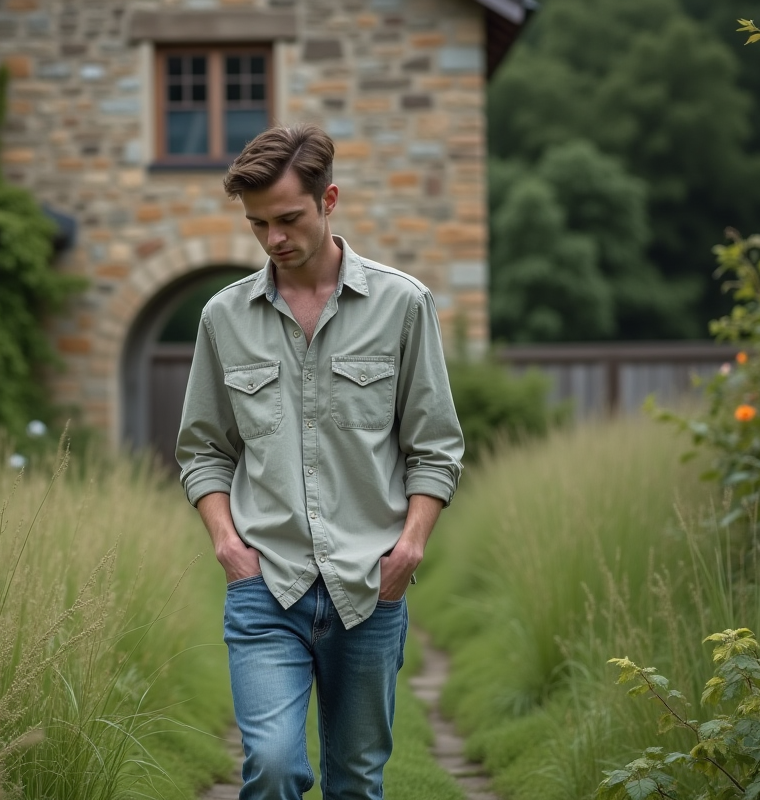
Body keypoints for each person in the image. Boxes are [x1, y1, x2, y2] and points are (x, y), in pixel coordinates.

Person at [175, 123, 465, 800]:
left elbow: (436, 447)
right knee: (272, 767)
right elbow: (203, 450)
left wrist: (409, 550)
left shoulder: (403, 305)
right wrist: (227, 545)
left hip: (370, 586)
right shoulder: (223, 317)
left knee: (356, 782)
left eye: (288, 219)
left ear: (328, 199)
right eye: (257, 225)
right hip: (264, 586)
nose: (274, 238)